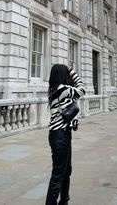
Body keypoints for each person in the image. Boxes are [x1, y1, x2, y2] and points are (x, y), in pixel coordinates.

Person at [45, 64, 86, 205]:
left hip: (61, 134)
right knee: (58, 174)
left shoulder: (54, 89)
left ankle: (64, 201)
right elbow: (82, 89)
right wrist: (72, 71)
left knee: (66, 171)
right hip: (60, 136)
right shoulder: (63, 89)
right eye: (66, 73)